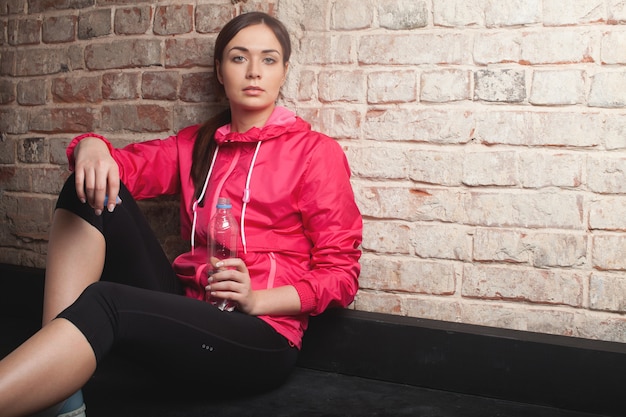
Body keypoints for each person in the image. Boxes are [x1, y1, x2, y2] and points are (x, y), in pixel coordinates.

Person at [0, 11, 362, 417]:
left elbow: (342, 274)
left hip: (260, 335)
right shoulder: (197, 145)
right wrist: (91, 146)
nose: (254, 71)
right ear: (220, 72)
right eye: (239, 58)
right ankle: (62, 397)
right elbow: (119, 169)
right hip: (188, 315)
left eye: (269, 59)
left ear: (284, 72)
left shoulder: (315, 152)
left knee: (105, 300)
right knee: (89, 186)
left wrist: (257, 299)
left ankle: (46, 391)